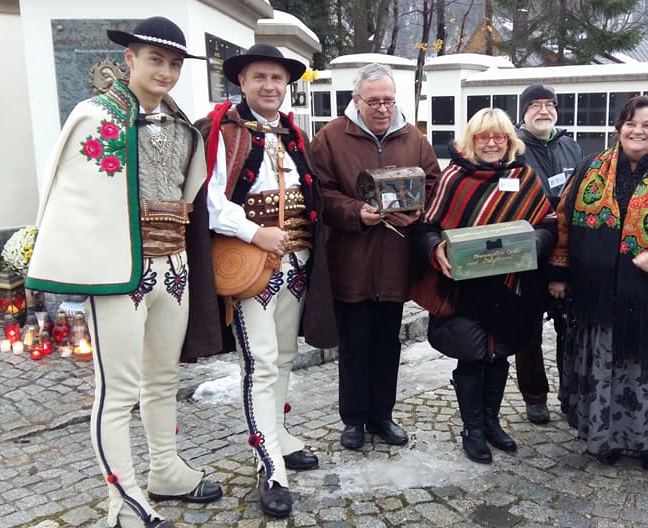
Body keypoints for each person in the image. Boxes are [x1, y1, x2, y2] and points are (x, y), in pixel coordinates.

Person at [25, 17, 223, 528]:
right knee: (117, 389)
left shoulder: (180, 126)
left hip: (173, 268)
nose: (166, 71)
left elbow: (188, 193)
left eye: (174, 63)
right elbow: (78, 199)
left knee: (163, 378)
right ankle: (123, 498)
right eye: (155, 60)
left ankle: (165, 470)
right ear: (129, 59)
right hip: (121, 272)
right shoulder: (95, 118)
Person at [197, 43, 336, 519]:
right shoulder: (223, 130)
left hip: (296, 260)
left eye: (277, 78)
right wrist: (255, 233)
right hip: (250, 264)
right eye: (260, 77)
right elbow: (211, 199)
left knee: (285, 357)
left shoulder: (294, 133)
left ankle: (278, 434)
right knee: (259, 362)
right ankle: (268, 462)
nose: (270, 86)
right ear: (242, 81)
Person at [547, 96, 648, 471]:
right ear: (619, 128)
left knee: (645, 368)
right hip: (595, 293)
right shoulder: (589, 168)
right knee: (601, 363)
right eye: (631, 123)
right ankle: (602, 437)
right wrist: (559, 271)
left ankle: (647, 443)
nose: (638, 131)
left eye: (647, 125)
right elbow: (564, 219)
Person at [309, 63, 440, 450]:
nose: (383, 108)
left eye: (388, 100)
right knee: (354, 343)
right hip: (352, 260)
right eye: (374, 101)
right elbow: (320, 192)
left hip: (395, 260)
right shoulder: (331, 137)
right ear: (356, 100)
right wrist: (355, 212)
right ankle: (353, 419)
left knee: (387, 342)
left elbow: (432, 182)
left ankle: (382, 416)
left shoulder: (413, 138)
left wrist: (417, 210)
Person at [416, 108, 555, 463]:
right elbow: (427, 225)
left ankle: (492, 423)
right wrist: (435, 248)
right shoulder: (453, 178)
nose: (491, 143)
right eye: (483, 137)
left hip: (510, 287)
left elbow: (548, 222)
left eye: (499, 137)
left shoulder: (524, 176)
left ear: (509, 141)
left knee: (499, 354)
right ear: (472, 140)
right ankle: (473, 430)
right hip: (464, 287)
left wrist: (535, 242)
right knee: (471, 356)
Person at [515, 84, 582, 424]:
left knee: (569, 329)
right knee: (527, 332)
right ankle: (534, 396)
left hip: (566, 250)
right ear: (524, 112)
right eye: (535, 105)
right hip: (528, 251)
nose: (544, 111)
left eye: (550, 105)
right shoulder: (513, 148)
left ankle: (571, 394)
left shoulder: (571, 146)